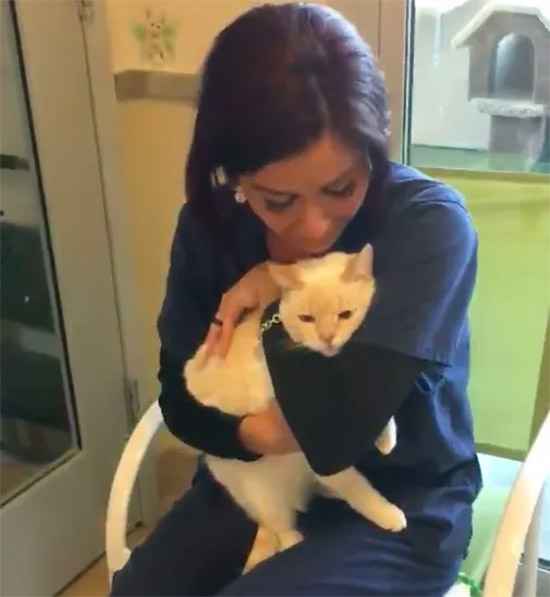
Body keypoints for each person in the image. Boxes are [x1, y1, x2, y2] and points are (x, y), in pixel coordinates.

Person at [111, 4, 482, 596]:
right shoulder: (209, 229)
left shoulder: (427, 227)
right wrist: (255, 436)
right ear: (233, 177)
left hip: (403, 494)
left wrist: (275, 280)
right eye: (278, 201)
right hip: (257, 476)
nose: (313, 227)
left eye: (342, 188)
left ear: (374, 148)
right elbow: (179, 400)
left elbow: (338, 426)